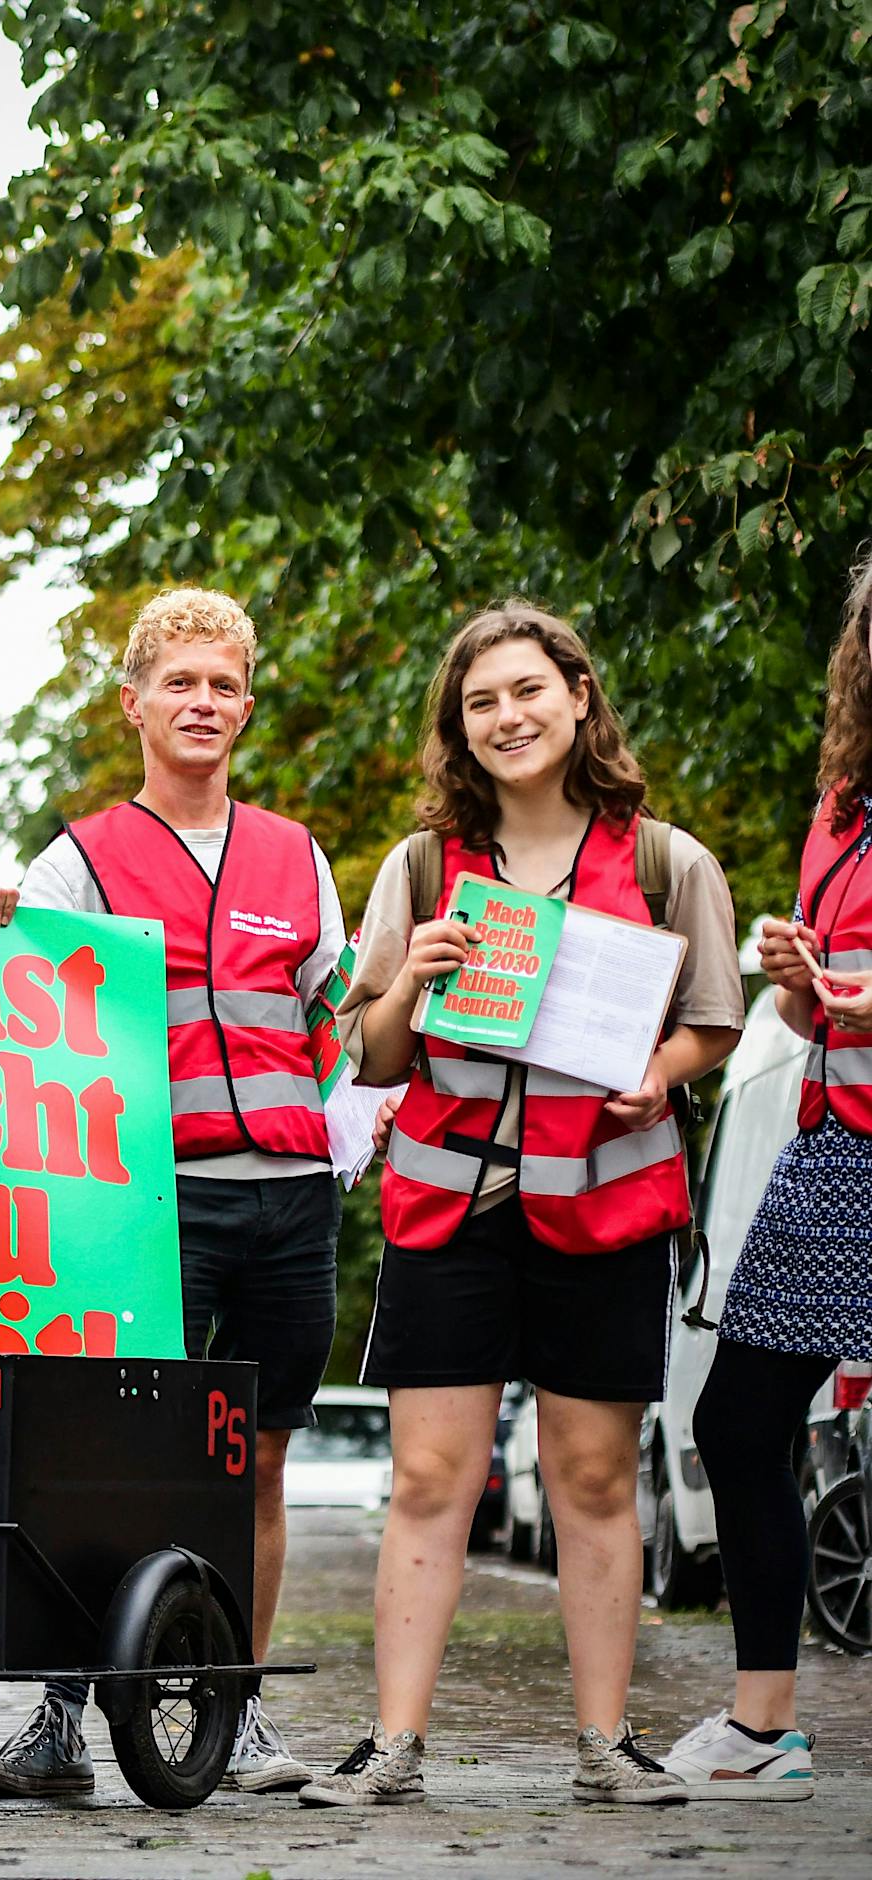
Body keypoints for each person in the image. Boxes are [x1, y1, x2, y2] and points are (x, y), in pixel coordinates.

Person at [306, 601, 744, 1808]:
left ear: (578, 698)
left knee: (594, 1480)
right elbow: (377, 1056)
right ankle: (391, 1746)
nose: (505, 715)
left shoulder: (666, 861)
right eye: (480, 699)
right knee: (429, 1478)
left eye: (526, 690)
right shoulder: (415, 865)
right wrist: (415, 975)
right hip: (449, 1214)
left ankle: (604, 1744)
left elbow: (712, 1016)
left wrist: (654, 1074)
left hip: (599, 1213)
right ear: (459, 724)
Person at [0, 587, 346, 1797]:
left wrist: (350, 1141)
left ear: (245, 703)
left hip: (289, 1201)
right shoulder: (75, 860)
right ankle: (61, 1723)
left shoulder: (297, 854)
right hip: (146, 1203)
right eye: (179, 681)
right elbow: (6, 1014)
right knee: (107, 1456)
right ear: (132, 703)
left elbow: (333, 1022)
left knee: (260, 1460)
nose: (203, 703)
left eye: (223, 683)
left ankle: (235, 1715)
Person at [662, 554, 872, 1800]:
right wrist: (796, 972)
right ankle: (761, 1723)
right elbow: (812, 1001)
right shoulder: (840, 806)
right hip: (838, 1143)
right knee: (735, 1418)